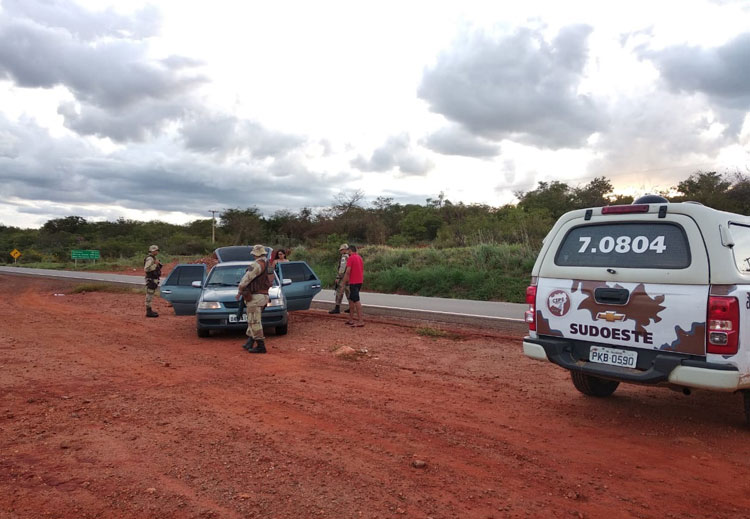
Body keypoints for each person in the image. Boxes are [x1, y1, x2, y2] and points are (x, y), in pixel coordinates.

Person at [236, 244, 272, 354]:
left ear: (255, 254)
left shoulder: (256, 265)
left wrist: (240, 290)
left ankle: (261, 346)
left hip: (255, 297)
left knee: (254, 321)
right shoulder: (267, 264)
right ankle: (250, 342)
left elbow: (246, 279)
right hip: (263, 296)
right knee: (253, 320)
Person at [342, 244, 364, 327]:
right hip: (359, 281)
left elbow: (348, 271)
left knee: (356, 300)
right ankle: (351, 319)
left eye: (348, 251)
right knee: (351, 300)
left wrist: (343, 282)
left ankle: (361, 320)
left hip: (354, 282)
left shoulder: (351, 258)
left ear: (350, 251)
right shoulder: (360, 258)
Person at [329, 243, 350, 314]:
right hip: (349, 277)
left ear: (344, 250)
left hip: (343, 277)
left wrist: (338, 277)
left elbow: (342, 268)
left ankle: (337, 308)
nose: (340, 251)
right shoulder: (350, 256)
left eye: (341, 250)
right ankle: (351, 307)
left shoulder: (344, 257)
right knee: (348, 292)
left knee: (339, 292)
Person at [143, 244, 162, 318]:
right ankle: (148, 311)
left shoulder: (153, 258)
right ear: (153, 251)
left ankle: (149, 310)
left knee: (151, 294)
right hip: (151, 279)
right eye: (156, 250)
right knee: (149, 295)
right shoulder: (150, 259)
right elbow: (146, 269)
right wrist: (155, 265)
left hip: (153, 278)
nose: (157, 252)